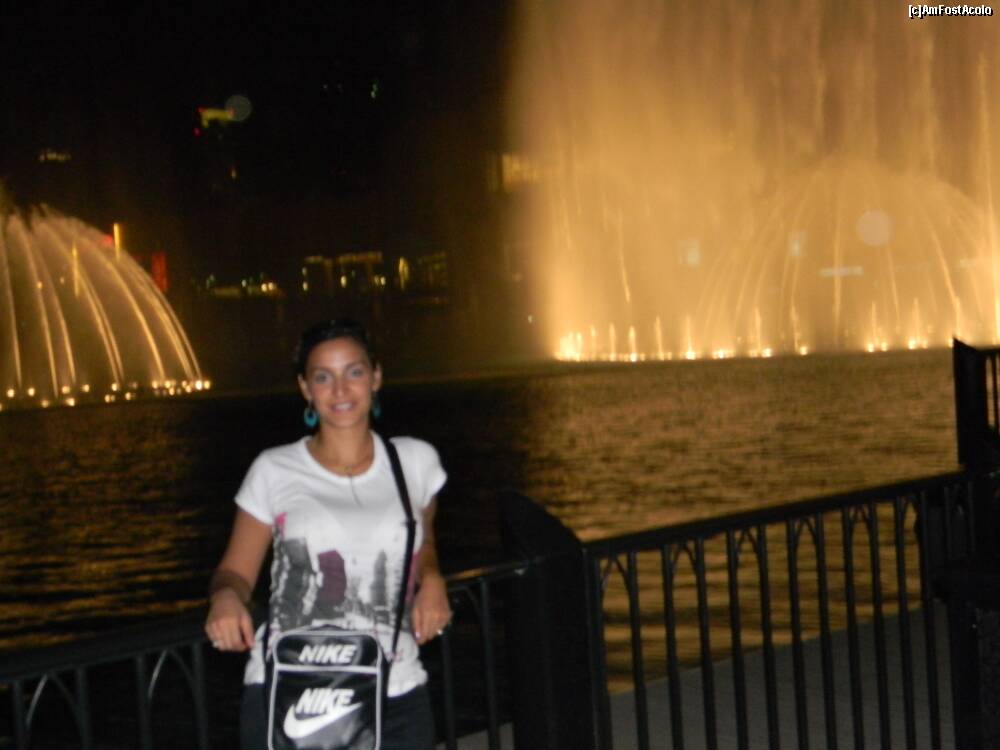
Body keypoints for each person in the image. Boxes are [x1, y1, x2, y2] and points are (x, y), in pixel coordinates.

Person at [205, 318, 451, 750]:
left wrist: (432, 580)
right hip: (291, 687)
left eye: (354, 372)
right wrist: (225, 598)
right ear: (305, 388)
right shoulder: (274, 469)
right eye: (323, 377)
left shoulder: (415, 461)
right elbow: (235, 572)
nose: (340, 390)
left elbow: (423, 543)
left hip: (394, 687)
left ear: (376, 377)